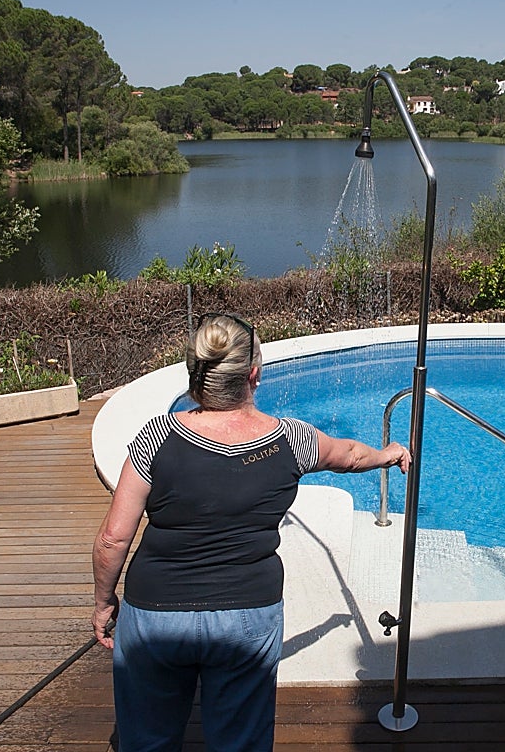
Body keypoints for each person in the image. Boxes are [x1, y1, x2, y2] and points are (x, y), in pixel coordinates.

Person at [92, 312, 410, 751]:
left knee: (147, 741)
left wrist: (104, 602)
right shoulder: (291, 440)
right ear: (253, 374)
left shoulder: (159, 434)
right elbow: (351, 456)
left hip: (155, 614)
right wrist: (388, 453)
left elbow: (113, 538)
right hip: (246, 614)